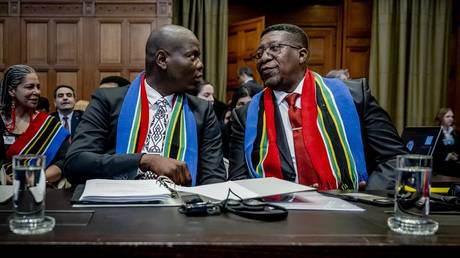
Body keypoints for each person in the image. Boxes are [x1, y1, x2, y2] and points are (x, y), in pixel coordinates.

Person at [229, 24, 407, 191]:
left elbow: (395, 158)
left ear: (302, 55)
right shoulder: (246, 116)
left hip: (349, 213)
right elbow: (239, 180)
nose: (264, 58)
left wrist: (366, 198)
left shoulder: (353, 96)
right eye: (259, 54)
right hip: (275, 214)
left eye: (275, 48)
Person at [64, 25, 226, 186]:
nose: (200, 65)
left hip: (180, 208)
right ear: (162, 60)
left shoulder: (202, 111)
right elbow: (75, 163)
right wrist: (144, 160)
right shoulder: (108, 101)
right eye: (193, 56)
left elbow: (214, 179)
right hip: (116, 207)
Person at [0, 65, 69, 185]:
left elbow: (64, 161)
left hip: (41, 189)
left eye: (38, 87)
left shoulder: (50, 124)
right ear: (12, 91)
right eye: (30, 87)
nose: (37, 92)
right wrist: (6, 179)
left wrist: (35, 178)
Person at [433, 108, 460, 176]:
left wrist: (457, 156)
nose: (451, 119)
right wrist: (446, 156)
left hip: (454, 167)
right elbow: (434, 152)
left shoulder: (455, 133)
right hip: (440, 169)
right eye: (447, 116)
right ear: (441, 118)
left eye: (452, 117)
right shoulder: (436, 132)